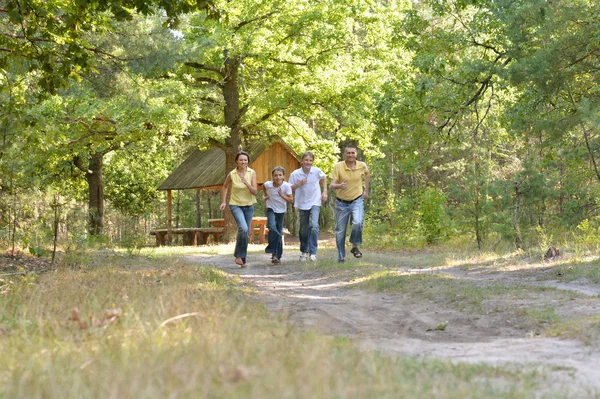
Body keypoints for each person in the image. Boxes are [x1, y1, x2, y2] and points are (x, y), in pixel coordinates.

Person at [330, 145, 370, 263]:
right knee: (340, 230)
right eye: (348, 153)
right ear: (344, 154)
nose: (351, 155)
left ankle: (354, 246)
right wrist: (339, 186)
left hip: (357, 199)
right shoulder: (338, 167)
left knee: (358, 222)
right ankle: (341, 256)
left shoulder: (362, 165)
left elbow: (367, 174)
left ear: (356, 154)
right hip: (341, 203)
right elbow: (331, 185)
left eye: (353, 153)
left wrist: (366, 190)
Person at [220, 151, 258, 268]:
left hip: (249, 205)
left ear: (248, 161)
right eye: (241, 160)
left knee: (246, 233)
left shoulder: (252, 173)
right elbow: (225, 186)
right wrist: (224, 201)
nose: (243, 162)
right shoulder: (232, 174)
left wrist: (246, 183)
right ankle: (238, 255)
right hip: (235, 205)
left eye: (245, 160)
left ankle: (242, 259)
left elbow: (255, 192)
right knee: (243, 228)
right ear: (237, 161)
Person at [289, 151, 328, 261]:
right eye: (306, 160)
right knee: (303, 229)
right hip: (302, 203)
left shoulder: (316, 171)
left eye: (310, 160)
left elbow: (324, 178)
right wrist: (299, 184)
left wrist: (324, 192)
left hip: (315, 201)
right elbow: (289, 188)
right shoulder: (295, 174)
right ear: (302, 161)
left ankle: (313, 253)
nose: (308, 162)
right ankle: (304, 252)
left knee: (314, 226)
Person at [263, 166, 293, 264]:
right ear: (272, 177)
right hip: (271, 208)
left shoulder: (286, 186)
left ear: (283, 176)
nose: (278, 177)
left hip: (281, 211)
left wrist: (282, 195)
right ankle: (272, 249)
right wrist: (266, 195)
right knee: (272, 227)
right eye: (275, 175)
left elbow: (291, 200)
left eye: (280, 175)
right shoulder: (268, 185)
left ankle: (276, 256)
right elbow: (264, 186)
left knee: (279, 234)